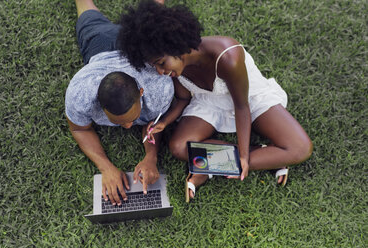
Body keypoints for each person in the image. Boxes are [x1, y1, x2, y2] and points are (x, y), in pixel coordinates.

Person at [117, 0, 313, 202]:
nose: (160, 72)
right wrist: (164, 123)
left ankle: (213, 166)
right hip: (209, 101)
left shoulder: (227, 55)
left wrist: (244, 157)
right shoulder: (176, 69)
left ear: (175, 45)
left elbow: (242, 105)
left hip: (248, 98)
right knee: (179, 147)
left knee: (300, 148)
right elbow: (184, 98)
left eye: (161, 63)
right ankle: (269, 156)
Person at [65, 0, 178, 206]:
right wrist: (105, 167)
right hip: (98, 42)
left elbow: (152, 123)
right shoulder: (80, 94)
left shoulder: (160, 88)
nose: (128, 127)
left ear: (142, 92)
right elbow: (79, 129)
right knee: (85, 8)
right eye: (119, 122)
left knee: (151, 18)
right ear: (99, 105)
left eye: (132, 119)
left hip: (136, 47)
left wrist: (151, 157)